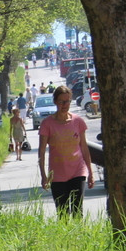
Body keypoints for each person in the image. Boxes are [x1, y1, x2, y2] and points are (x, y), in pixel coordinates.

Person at [37, 85, 94, 217]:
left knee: (77, 210)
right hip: (57, 174)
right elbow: (41, 152)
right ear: (55, 102)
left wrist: (90, 172)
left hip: (78, 171)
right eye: (61, 101)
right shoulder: (47, 124)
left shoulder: (78, 121)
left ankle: (79, 237)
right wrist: (43, 175)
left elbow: (84, 148)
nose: (65, 105)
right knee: (62, 213)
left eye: (67, 101)